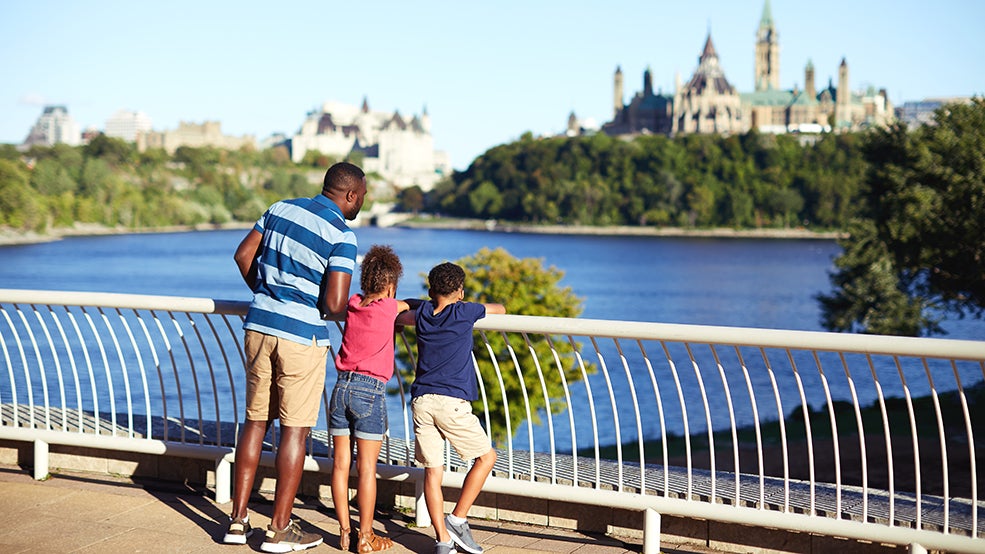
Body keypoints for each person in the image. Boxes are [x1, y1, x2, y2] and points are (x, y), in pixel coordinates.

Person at [225, 161, 367, 553]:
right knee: (295, 430)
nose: (362, 203)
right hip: (301, 337)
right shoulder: (342, 235)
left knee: (255, 422)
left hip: (259, 325)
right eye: (362, 196)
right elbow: (335, 303)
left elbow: (243, 256)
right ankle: (279, 529)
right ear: (350, 194)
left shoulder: (279, 208)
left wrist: (268, 293)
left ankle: (237, 522)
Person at [395, 262, 506, 554]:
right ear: (460, 291)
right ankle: (457, 519)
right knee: (487, 457)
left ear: (431, 290)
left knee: (433, 472)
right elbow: (500, 309)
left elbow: (408, 308)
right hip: (450, 402)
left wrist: (419, 302)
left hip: (421, 401)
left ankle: (443, 541)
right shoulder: (463, 311)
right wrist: (465, 302)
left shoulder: (422, 313)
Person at [329, 244, 420, 552]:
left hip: (341, 387)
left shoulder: (354, 303)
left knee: (340, 465)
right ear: (391, 284)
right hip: (369, 390)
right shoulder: (389, 307)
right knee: (366, 468)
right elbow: (411, 304)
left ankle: (345, 532)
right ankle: (366, 536)